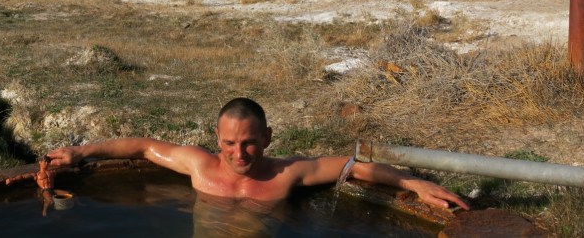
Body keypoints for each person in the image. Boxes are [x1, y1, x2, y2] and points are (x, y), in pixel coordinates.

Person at [46, 97, 469, 210]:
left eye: (249, 142)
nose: (239, 153)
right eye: (229, 143)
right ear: (217, 138)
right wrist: (81, 153)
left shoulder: (287, 174)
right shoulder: (200, 166)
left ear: (266, 137)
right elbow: (142, 146)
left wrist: (414, 182)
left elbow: (351, 167)